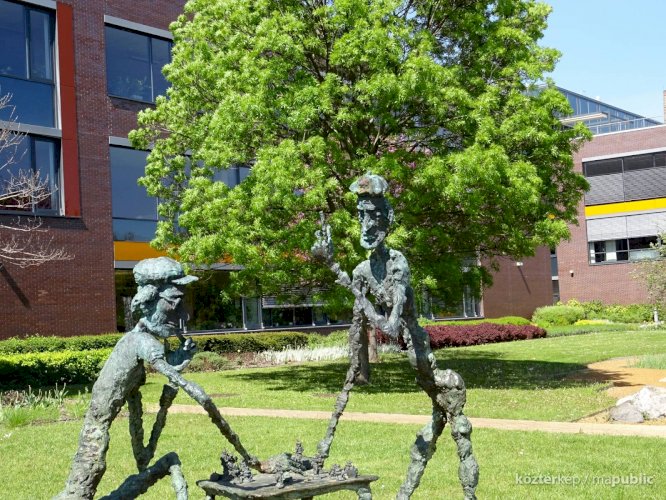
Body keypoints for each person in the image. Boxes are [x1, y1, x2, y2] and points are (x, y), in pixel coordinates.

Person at [312, 174, 479, 500]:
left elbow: (390, 327)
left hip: (430, 369)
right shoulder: (361, 271)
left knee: (456, 433)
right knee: (427, 440)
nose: (366, 224)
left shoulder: (397, 264)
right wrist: (356, 370)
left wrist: (336, 272)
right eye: (361, 215)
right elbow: (357, 327)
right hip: (422, 374)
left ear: (387, 219)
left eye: (373, 216)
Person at [56, 257, 258, 500]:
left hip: (117, 422)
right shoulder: (140, 342)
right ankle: (250, 459)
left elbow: (142, 454)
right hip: (93, 444)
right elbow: (200, 396)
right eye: (174, 302)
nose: (183, 314)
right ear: (149, 301)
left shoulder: (139, 340)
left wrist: (178, 364)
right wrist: (248, 458)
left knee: (154, 461)